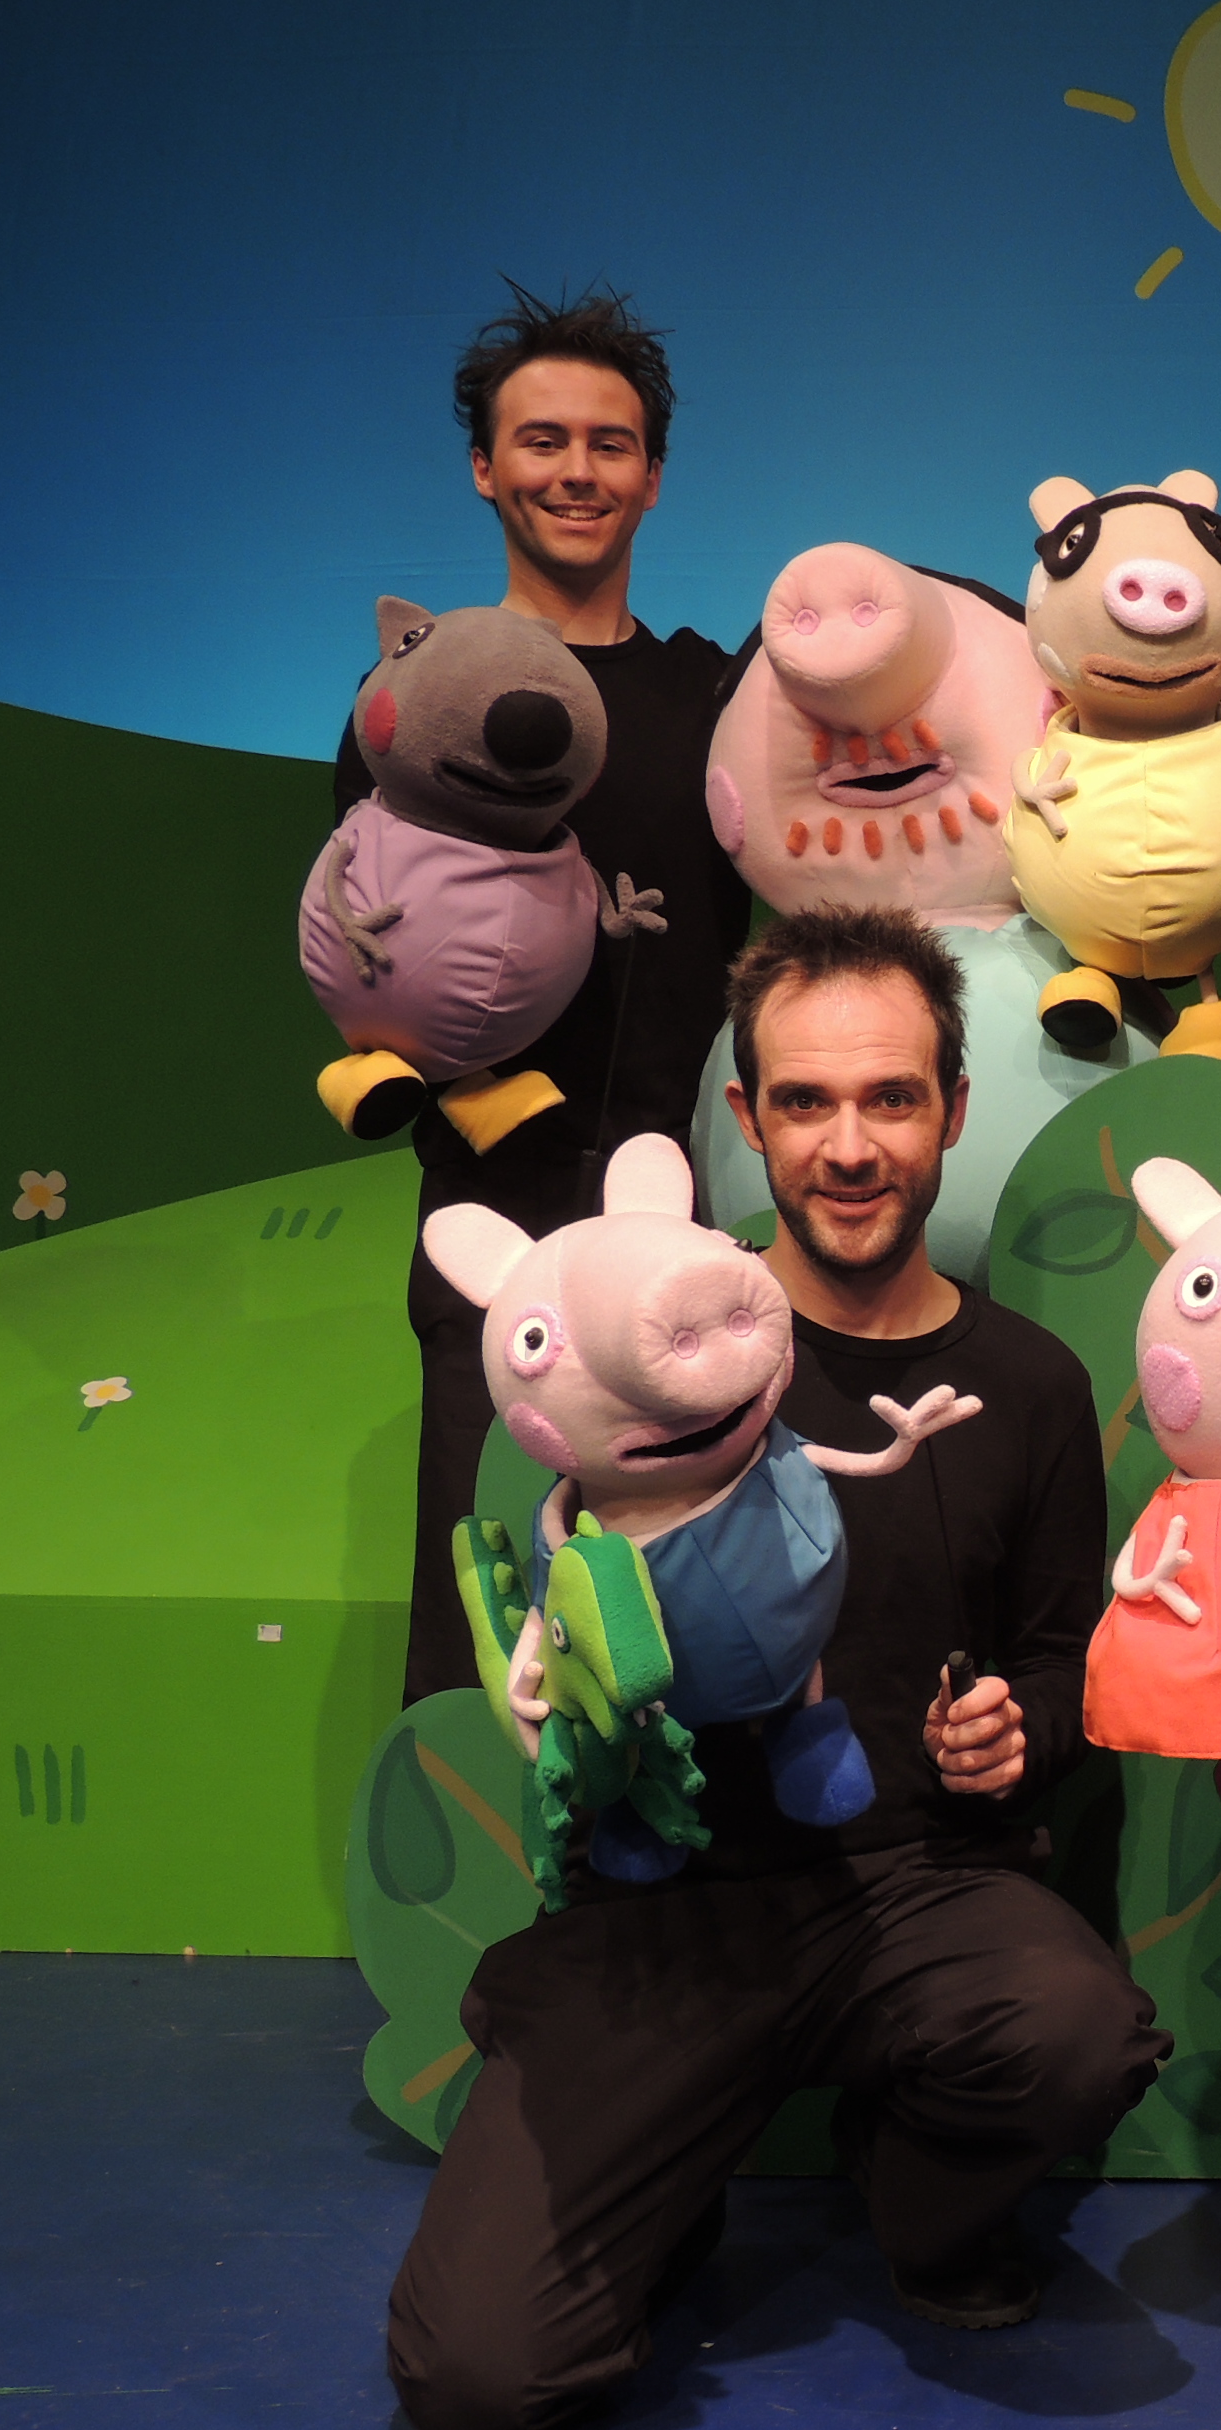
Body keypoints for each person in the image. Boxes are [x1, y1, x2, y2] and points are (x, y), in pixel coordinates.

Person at [383, 908, 1168, 2430]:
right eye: (805, 1102)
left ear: (952, 1107)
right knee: (480, 2381)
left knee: (1079, 2032)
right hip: (665, 1908)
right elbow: (555, 1586)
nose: (849, 1147)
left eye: (890, 1099)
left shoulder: (1028, 1384)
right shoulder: (640, 1353)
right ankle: (642, 2154)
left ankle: (915, 2196)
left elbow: (1061, 1654)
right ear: (746, 1119)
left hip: (922, 1893)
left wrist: (1020, 1728)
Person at [337, 282, 750, 1709]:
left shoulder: (719, 699)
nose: (578, 472)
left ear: (654, 475)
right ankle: (469, 1841)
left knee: (699, 1618)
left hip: (691, 1202)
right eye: (542, 440)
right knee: (486, 1602)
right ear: (483, 467)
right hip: (493, 1207)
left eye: (610, 444)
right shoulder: (420, 701)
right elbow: (364, 951)